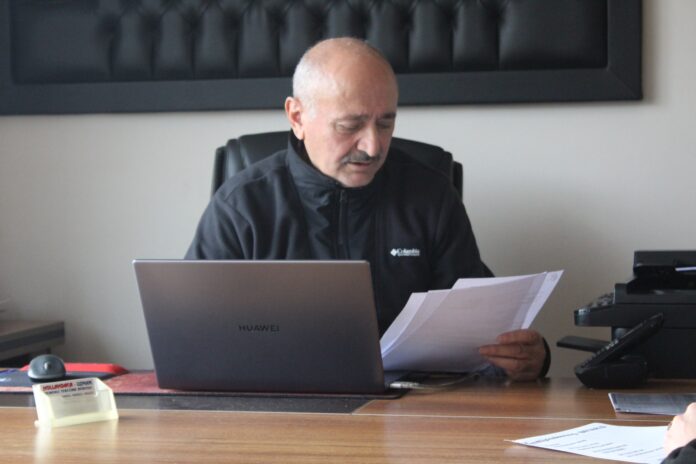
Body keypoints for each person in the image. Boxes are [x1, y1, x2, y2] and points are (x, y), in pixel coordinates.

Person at [185, 37, 549, 381]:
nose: (373, 146)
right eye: (350, 125)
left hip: (410, 410)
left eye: (385, 123)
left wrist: (526, 359)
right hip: (275, 406)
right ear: (297, 117)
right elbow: (192, 340)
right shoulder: (241, 205)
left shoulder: (432, 197)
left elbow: (479, 339)